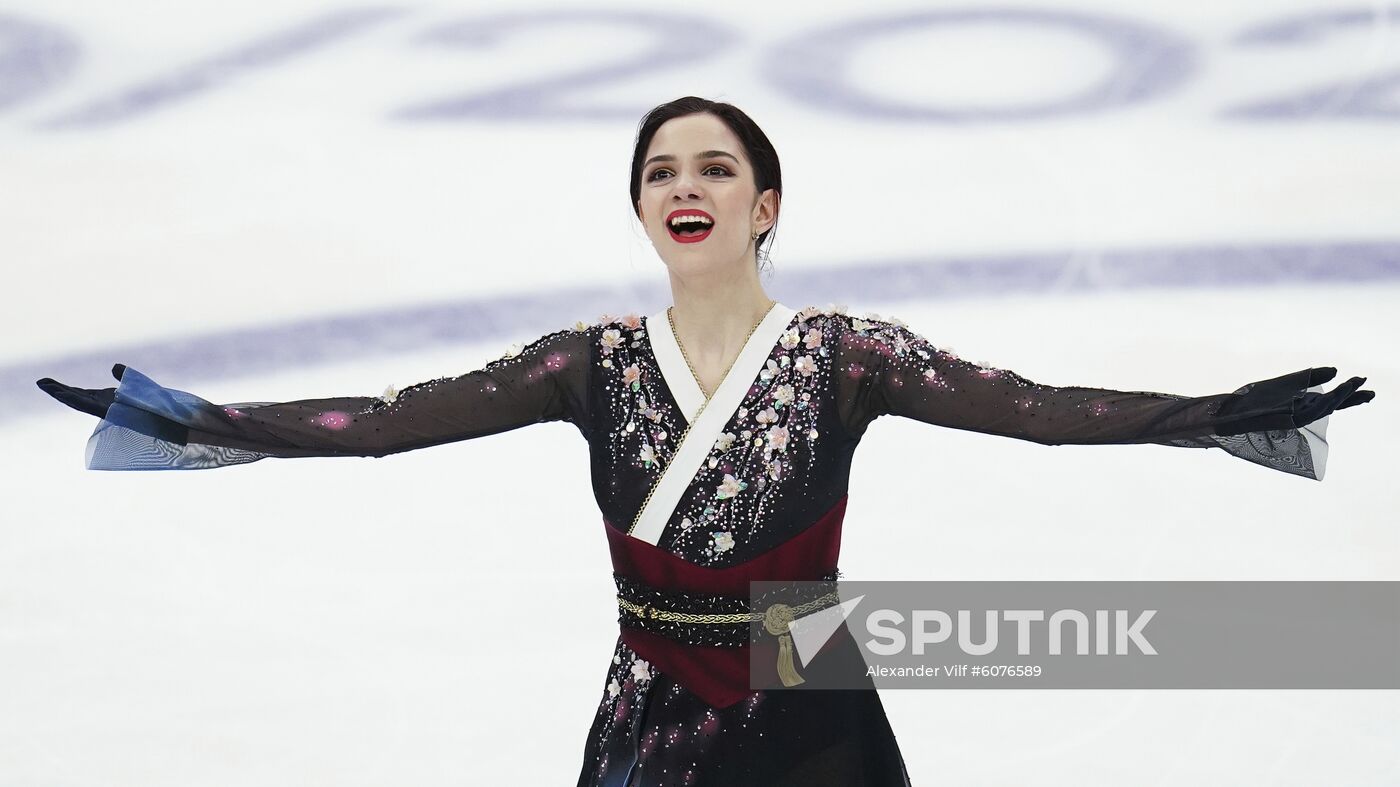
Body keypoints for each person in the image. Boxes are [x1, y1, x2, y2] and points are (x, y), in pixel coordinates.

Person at [35, 96, 1373, 786]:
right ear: (640, 208)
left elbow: (1036, 411)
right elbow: (387, 426)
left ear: (766, 201)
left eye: (716, 167)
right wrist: (195, 422)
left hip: (810, 673)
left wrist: (1209, 419)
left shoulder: (849, 355)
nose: (688, 185)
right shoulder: (589, 362)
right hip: (657, 683)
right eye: (663, 171)